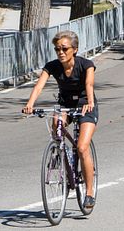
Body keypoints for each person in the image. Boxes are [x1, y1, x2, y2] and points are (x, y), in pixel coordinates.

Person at [22, 31, 98, 210]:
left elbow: (89, 85)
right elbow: (39, 85)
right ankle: (59, 151)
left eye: (64, 48)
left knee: (81, 147)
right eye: (57, 49)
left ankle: (88, 192)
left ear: (75, 49)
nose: (60, 52)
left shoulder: (86, 65)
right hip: (65, 104)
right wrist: (30, 104)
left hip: (85, 104)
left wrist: (90, 102)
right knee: (56, 124)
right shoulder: (52, 66)